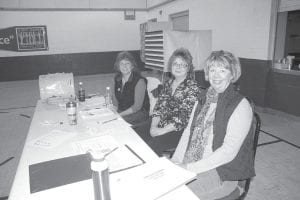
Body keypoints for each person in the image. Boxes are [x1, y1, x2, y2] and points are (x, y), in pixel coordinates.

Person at [171, 50, 255, 199]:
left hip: (222, 172)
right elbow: (187, 133)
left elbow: (228, 151)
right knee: (164, 187)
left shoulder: (240, 105)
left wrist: (188, 168)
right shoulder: (202, 98)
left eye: (223, 70)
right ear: (207, 73)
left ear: (232, 74)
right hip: (194, 161)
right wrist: (176, 161)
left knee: (176, 195)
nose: (216, 75)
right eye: (212, 70)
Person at [135, 48, 201, 156]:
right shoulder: (168, 84)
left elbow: (182, 118)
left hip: (178, 130)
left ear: (188, 68)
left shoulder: (192, 88)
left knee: (151, 146)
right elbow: (158, 108)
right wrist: (153, 127)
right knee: (136, 134)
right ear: (171, 66)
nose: (178, 67)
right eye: (175, 63)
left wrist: (160, 131)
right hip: (161, 121)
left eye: (183, 64)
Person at [113, 51, 150, 125]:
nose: (124, 66)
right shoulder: (117, 79)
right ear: (118, 66)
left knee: (117, 123)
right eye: (122, 64)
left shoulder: (139, 81)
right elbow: (115, 101)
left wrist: (119, 115)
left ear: (132, 66)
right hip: (123, 111)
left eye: (127, 63)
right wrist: (113, 112)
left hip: (139, 113)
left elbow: (136, 107)